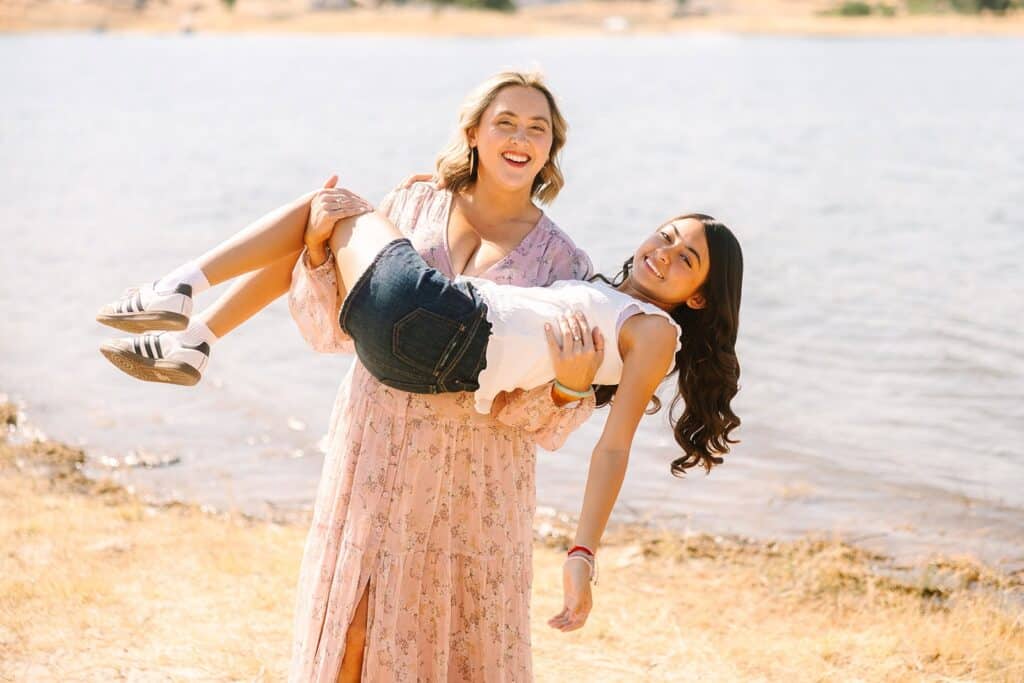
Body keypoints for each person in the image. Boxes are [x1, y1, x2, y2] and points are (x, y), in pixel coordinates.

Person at [97, 71, 607, 682]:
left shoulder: (565, 263)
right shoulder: (414, 203)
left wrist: (567, 388)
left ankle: (190, 322)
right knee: (353, 632)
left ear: (552, 148)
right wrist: (314, 251)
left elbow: (547, 419)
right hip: (377, 441)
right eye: (506, 122)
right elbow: (335, 332)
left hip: (476, 473)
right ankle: (191, 324)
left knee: (455, 640)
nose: (520, 137)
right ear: (473, 132)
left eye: (537, 128)